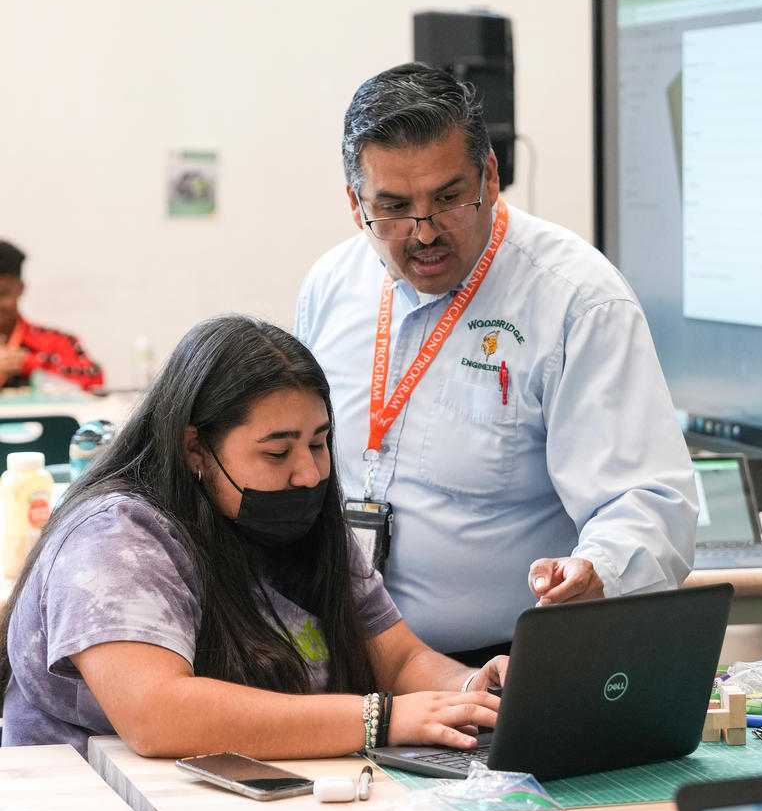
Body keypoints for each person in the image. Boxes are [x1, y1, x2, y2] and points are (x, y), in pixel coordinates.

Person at [295, 62, 698, 663]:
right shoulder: (331, 284)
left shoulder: (575, 299)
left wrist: (597, 570)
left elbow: (648, 500)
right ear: (357, 204)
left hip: (503, 666)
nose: (424, 231)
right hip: (345, 656)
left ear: (490, 175)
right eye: (395, 207)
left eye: (449, 199)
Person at [0, 314, 504, 759]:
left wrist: (473, 692)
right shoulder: (116, 535)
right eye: (277, 453)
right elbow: (158, 715)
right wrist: (380, 719)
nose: (308, 473)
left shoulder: (301, 522)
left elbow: (400, 657)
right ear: (195, 447)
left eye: (319, 442)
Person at [0, 240, 104, 392]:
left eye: (3, 294)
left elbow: (94, 379)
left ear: (20, 289)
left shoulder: (55, 341)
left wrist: (28, 363)